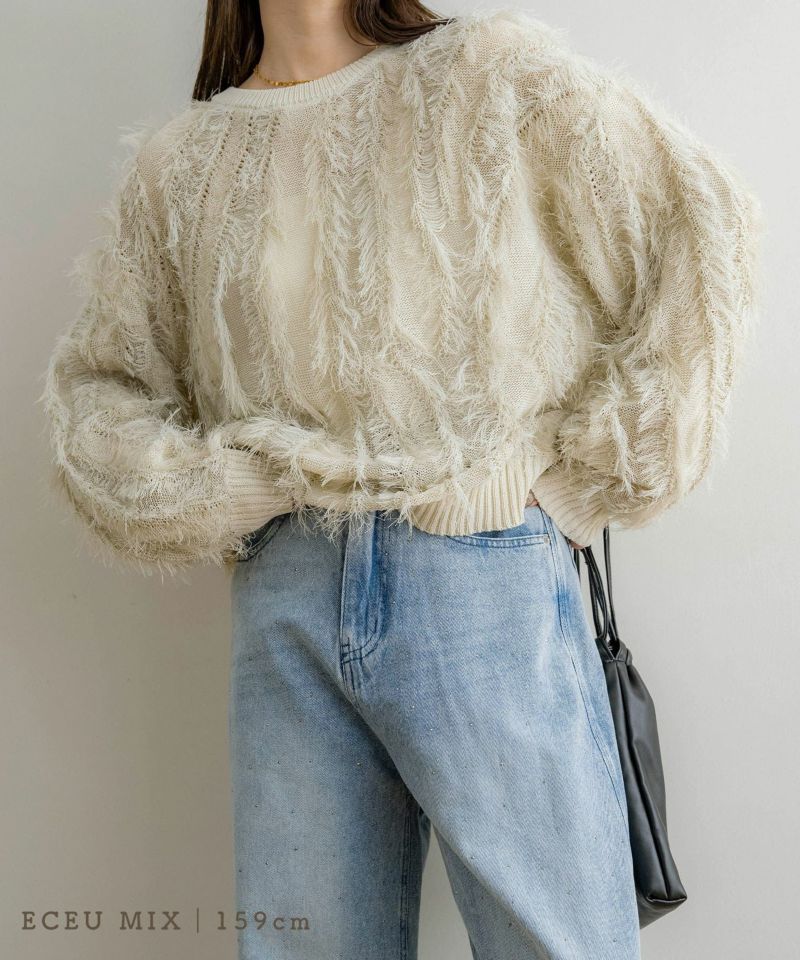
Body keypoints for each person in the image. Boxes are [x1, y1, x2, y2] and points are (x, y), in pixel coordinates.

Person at [39, 2, 763, 957]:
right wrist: (231, 490)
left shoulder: (489, 76)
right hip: (285, 595)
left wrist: (579, 486)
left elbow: (700, 225)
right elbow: (100, 392)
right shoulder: (182, 164)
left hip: (481, 578)